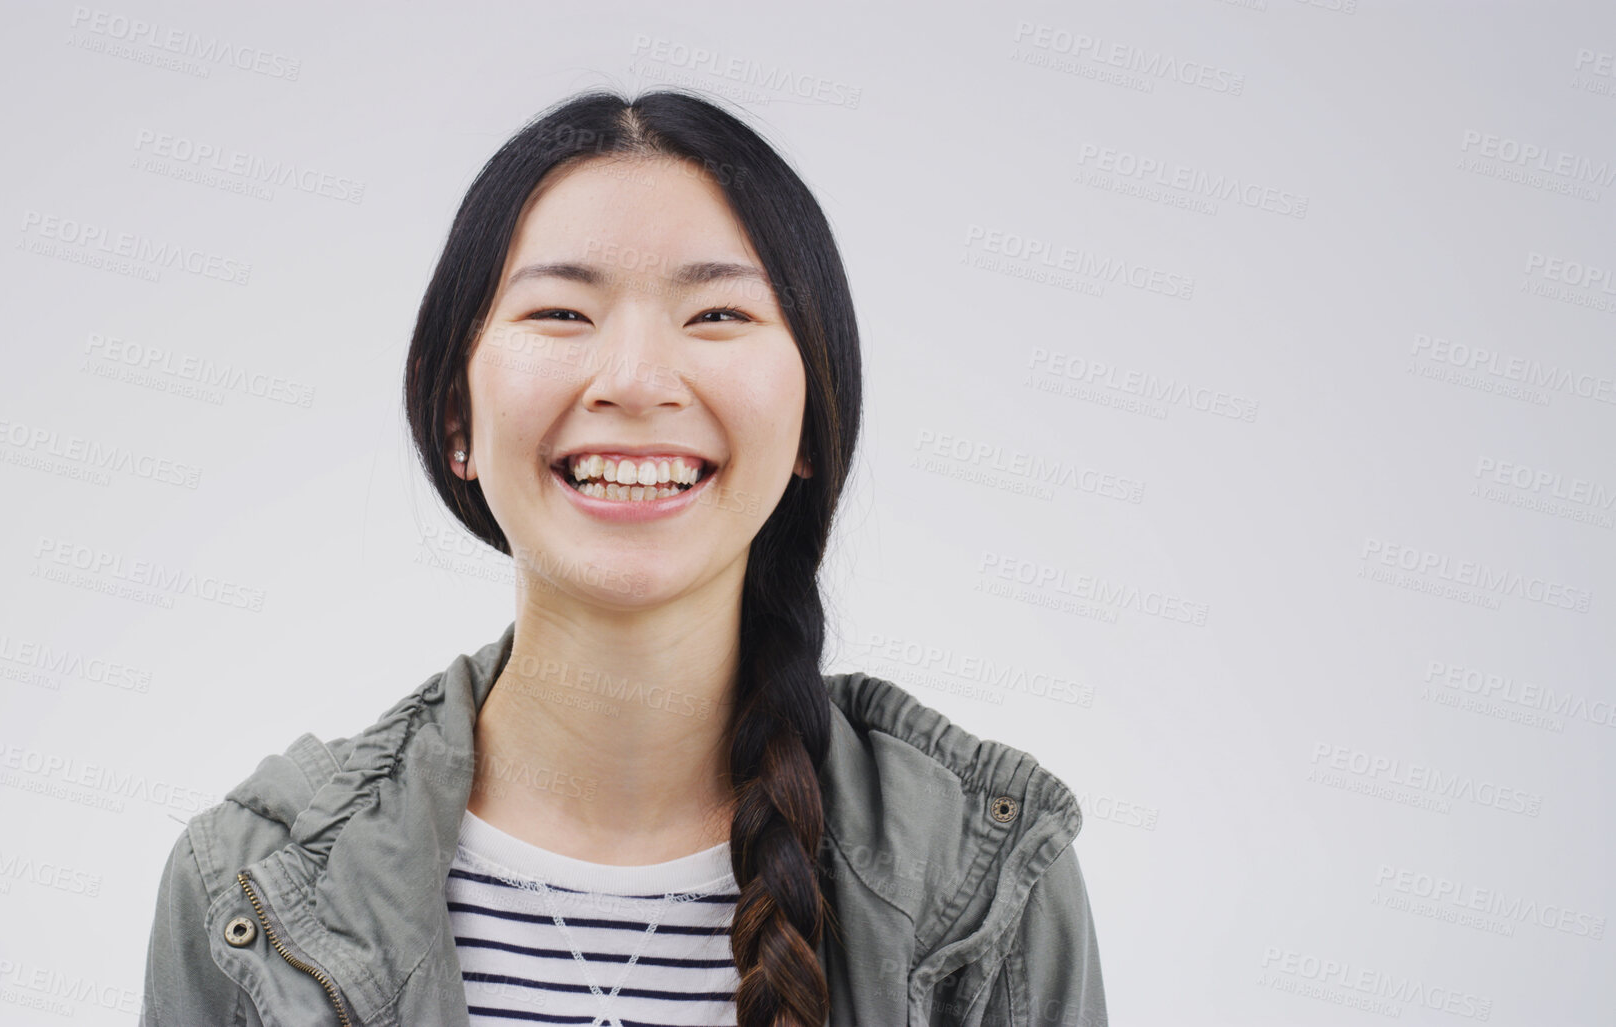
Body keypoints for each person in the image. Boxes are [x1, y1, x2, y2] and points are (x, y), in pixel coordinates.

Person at [140, 87, 1107, 1027]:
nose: (637, 380)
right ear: (454, 418)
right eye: (560, 313)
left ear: (811, 419)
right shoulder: (250, 893)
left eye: (717, 315)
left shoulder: (983, 885)